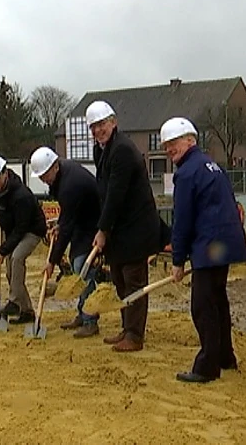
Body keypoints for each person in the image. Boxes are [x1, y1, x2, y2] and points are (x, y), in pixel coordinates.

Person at [160, 116, 246, 383]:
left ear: (190, 140)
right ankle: (225, 356)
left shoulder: (187, 173)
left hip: (211, 244)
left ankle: (207, 366)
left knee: (202, 305)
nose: (169, 149)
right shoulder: (212, 165)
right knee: (217, 300)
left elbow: (183, 220)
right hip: (225, 242)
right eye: (166, 145)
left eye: (173, 143)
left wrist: (178, 261)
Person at [87, 100, 161, 352]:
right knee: (118, 277)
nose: (98, 130)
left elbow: (116, 195)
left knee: (133, 280)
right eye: (94, 127)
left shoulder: (122, 150)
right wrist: (104, 227)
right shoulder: (102, 150)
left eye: (102, 124)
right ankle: (126, 327)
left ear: (114, 122)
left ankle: (135, 335)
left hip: (136, 226)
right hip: (120, 227)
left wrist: (102, 230)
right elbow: (104, 193)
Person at [30, 146, 103, 338]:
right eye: (40, 176)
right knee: (77, 265)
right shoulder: (62, 174)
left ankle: (90, 320)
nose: (43, 180)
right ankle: (82, 313)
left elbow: (68, 226)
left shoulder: (70, 184)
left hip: (94, 226)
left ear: (54, 166)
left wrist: (52, 261)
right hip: (82, 223)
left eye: (44, 175)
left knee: (82, 270)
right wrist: (60, 225)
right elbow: (67, 214)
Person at [0, 153, 48, 324]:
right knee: (11, 270)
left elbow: (21, 228)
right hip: (15, 230)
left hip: (32, 230)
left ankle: (14, 302)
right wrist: (6, 244)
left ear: (5, 173)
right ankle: (26, 311)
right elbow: (7, 222)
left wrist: (4, 249)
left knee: (17, 258)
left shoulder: (21, 195)